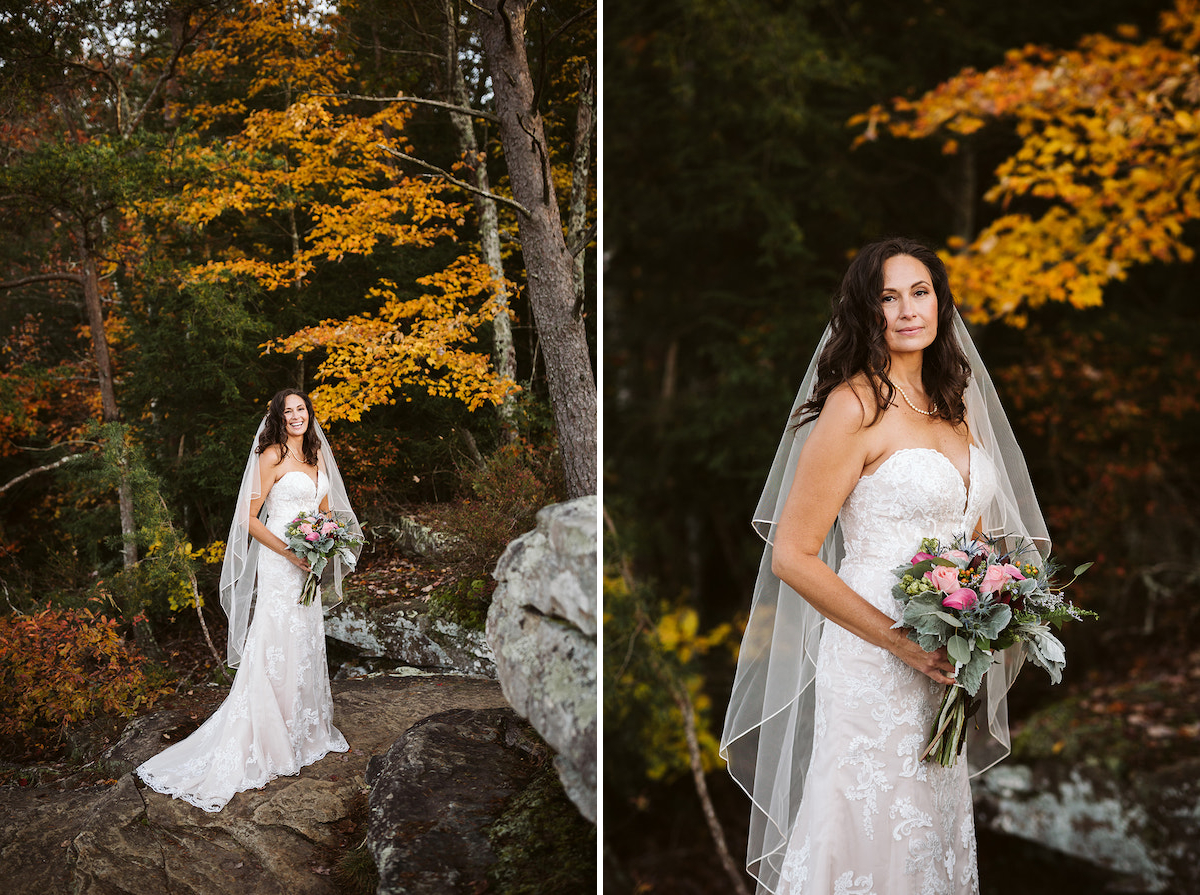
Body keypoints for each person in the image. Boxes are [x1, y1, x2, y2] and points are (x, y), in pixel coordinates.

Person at [720, 238, 1050, 894]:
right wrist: (899, 639)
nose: (906, 310)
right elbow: (792, 554)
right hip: (876, 652)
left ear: (939, 301)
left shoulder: (957, 405)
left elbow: (974, 545)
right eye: (887, 297)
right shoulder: (854, 404)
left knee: (930, 829)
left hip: (944, 654)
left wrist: (988, 614)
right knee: (872, 822)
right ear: (866, 313)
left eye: (919, 291)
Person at [136, 388, 361, 812]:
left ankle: (303, 732)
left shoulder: (317, 455)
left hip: (308, 564)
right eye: (288, 411)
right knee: (276, 641)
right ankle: (267, 739)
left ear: (310, 414)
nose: (296, 416)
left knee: (305, 641)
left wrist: (325, 545)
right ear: (278, 418)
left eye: (302, 409)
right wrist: (292, 553)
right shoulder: (272, 456)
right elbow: (249, 520)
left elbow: (326, 512)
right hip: (280, 564)